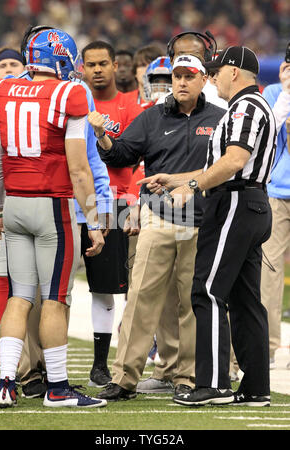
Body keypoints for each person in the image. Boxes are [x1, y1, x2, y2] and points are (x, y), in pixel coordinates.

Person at [141, 46, 276, 407]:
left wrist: (193, 187)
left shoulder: (246, 106)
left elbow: (234, 161)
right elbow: (222, 166)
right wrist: (177, 179)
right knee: (245, 299)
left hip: (235, 202)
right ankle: (256, 387)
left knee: (208, 291)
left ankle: (213, 384)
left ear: (235, 72)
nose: (212, 79)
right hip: (247, 201)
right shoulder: (249, 106)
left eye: (216, 72)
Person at [88, 53, 226, 401]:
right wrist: (102, 135)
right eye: (176, 76)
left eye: (188, 75)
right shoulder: (151, 117)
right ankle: (124, 377)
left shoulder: (220, 118)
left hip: (202, 221)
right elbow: (121, 155)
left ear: (202, 79)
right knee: (141, 298)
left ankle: (188, 376)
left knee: (192, 302)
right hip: (160, 217)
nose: (180, 82)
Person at [0, 27, 107, 409]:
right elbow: (78, 169)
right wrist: (93, 218)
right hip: (52, 207)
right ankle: (57, 387)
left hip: (15, 204)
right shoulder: (68, 93)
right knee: (55, 298)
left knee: (18, 297)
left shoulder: (1, 89)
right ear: (61, 59)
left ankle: (7, 382)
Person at [81, 40, 143, 388]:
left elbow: (138, 160)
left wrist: (133, 203)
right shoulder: (73, 102)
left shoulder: (131, 106)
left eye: (104, 63)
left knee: (119, 289)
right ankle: (98, 366)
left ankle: (111, 365)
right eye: (91, 65)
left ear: (116, 64)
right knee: (91, 290)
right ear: (82, 68)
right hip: (79, 201)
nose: (98, 70)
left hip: (118, 205)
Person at [0, 47, 25, 353]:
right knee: (2, 274)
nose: (10, 69)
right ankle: (6, 347)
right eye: (3, 65)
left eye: (15, 63)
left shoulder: (34, 101)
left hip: (29, 198)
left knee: (31, 280)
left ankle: (25, 346)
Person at [260, 58, 290, 370]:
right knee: (268, 272)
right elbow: (268, 134)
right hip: (277, 191)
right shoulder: (271, 93)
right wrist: (286, 92)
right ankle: (266, 348)